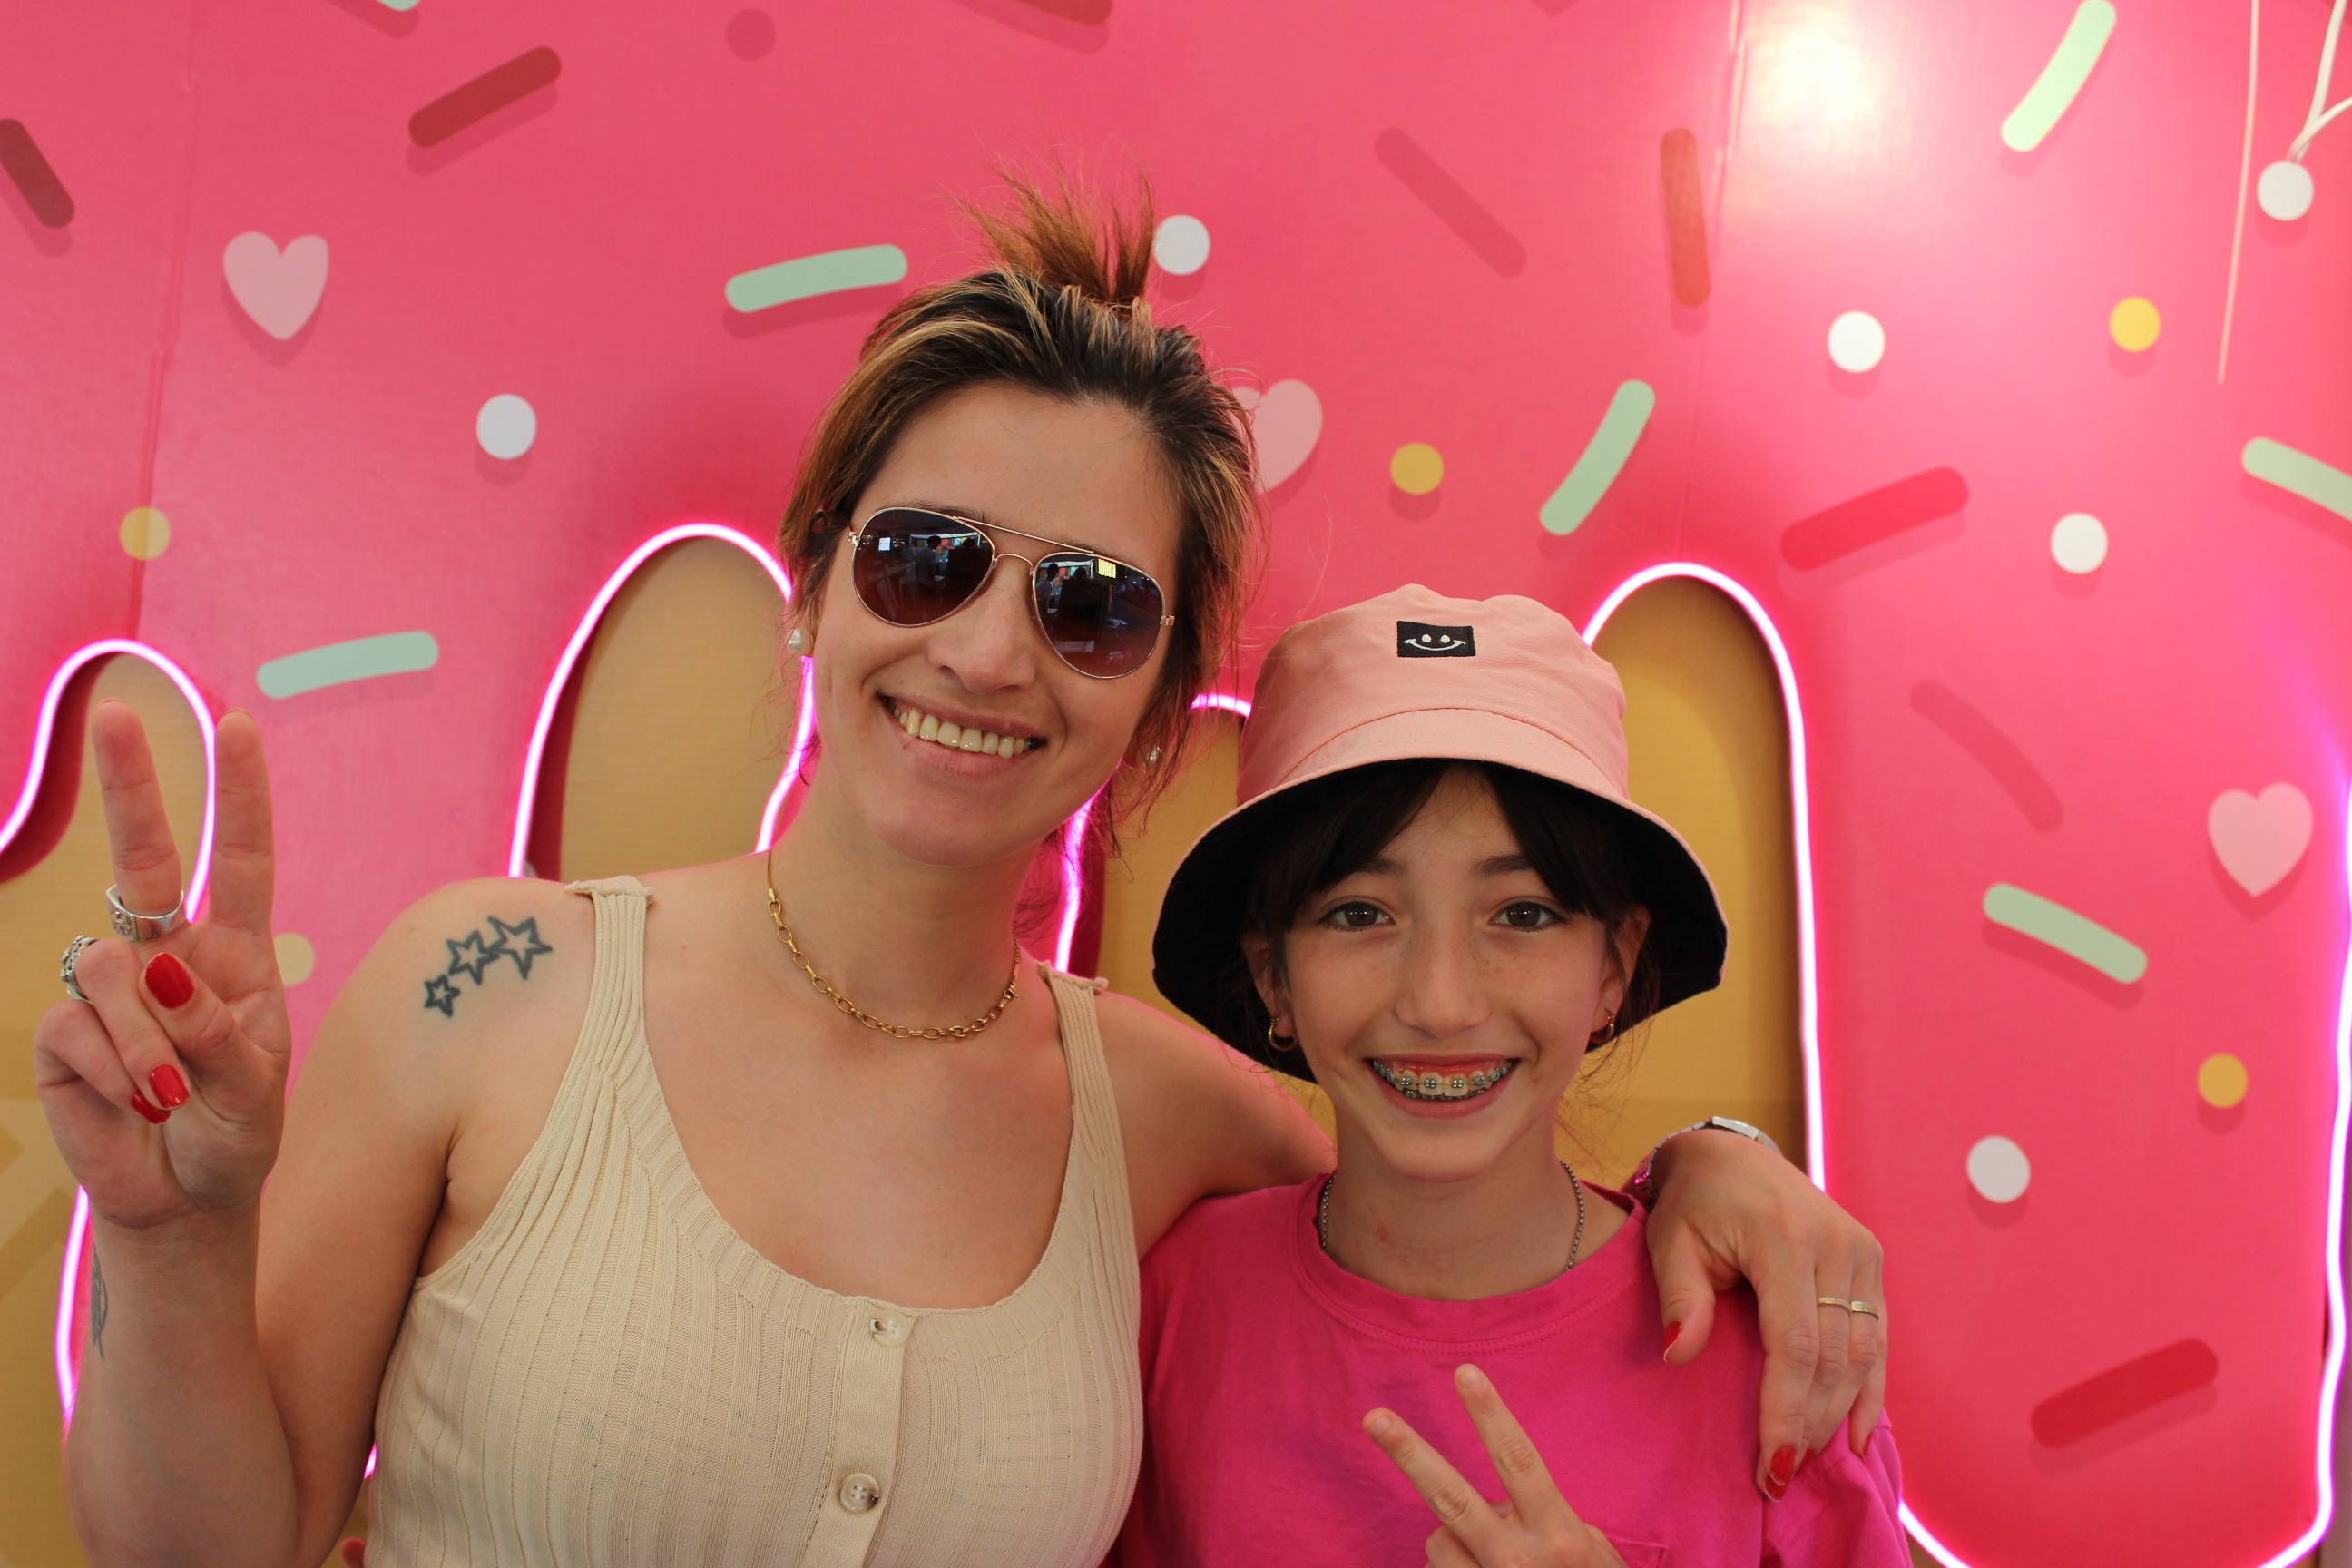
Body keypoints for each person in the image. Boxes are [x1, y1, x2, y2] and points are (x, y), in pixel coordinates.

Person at [36, 179, 1884, 1568]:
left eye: (1090, 605)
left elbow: (1458, 1156)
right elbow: (210, 1549)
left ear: (1152, 708)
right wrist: (174, 1239)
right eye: (927, 559)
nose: (991, 651)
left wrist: (1718, 1168)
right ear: (813, 584)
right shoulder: (488, 991)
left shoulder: (1171, 1120)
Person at [1117, 587, 1905, 1565]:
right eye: (1360, 913)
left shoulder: (1777, 1358)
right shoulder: (1169, 1305)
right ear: (1274, 974)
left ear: (1614, 967)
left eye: (1522, 914)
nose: (1441, 1003)